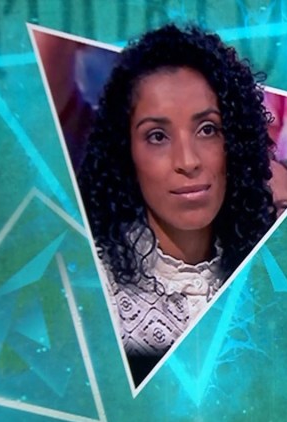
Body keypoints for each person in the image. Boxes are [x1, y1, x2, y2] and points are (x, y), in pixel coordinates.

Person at [77, 24, 275, 385]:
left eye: (208, 129)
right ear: (126, 153)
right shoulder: (87, 294)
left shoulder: (276, 275)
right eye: (157, 136)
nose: (188, 161)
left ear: (235, 141)